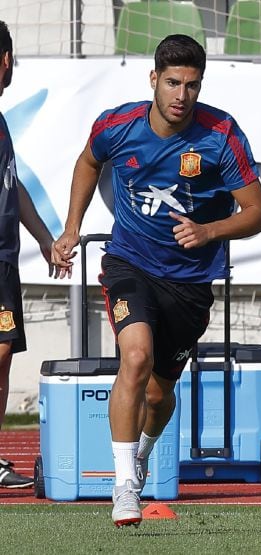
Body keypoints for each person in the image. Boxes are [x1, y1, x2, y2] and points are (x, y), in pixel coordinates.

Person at [51, 34, 261, 526]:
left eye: (192, 85)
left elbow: (258, 212)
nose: (181, 95)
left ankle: (144, 451)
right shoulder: (117, 124)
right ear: (154, 79)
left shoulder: (221, 135)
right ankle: (124, 485)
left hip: (190, 283)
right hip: (129, 262)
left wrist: (210, 229)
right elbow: (89, 161)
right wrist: (71, 228)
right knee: (135, 357)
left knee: (159, 391)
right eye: (172, 82)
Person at [0, 20, 59, 489]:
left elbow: (12, 186)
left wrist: (42, 236)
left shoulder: (0, 122)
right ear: (5, 61)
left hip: (4, 258)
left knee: (2, 354)